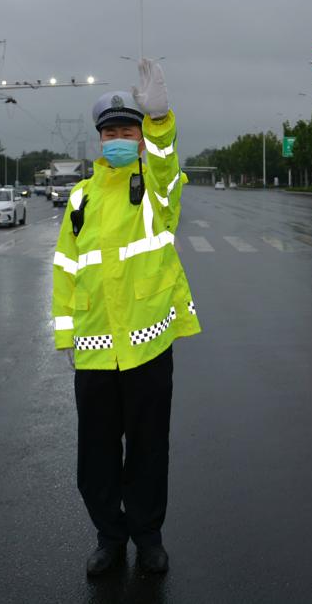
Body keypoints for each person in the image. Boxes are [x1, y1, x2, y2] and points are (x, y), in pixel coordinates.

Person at [51, 59, 201, 577]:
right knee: (94, 458)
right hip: (94, 350)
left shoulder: (158, 191)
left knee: (147, 451)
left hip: (148, 344)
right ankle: (108, 538)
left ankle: (148, 537)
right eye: (111, 131)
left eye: (128, 129)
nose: (119, 137)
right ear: (100, 140)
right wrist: (65, 334)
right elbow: (65, 268)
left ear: (138, 138)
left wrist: (160, 122)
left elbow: (164, 160)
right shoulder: (80, 198)